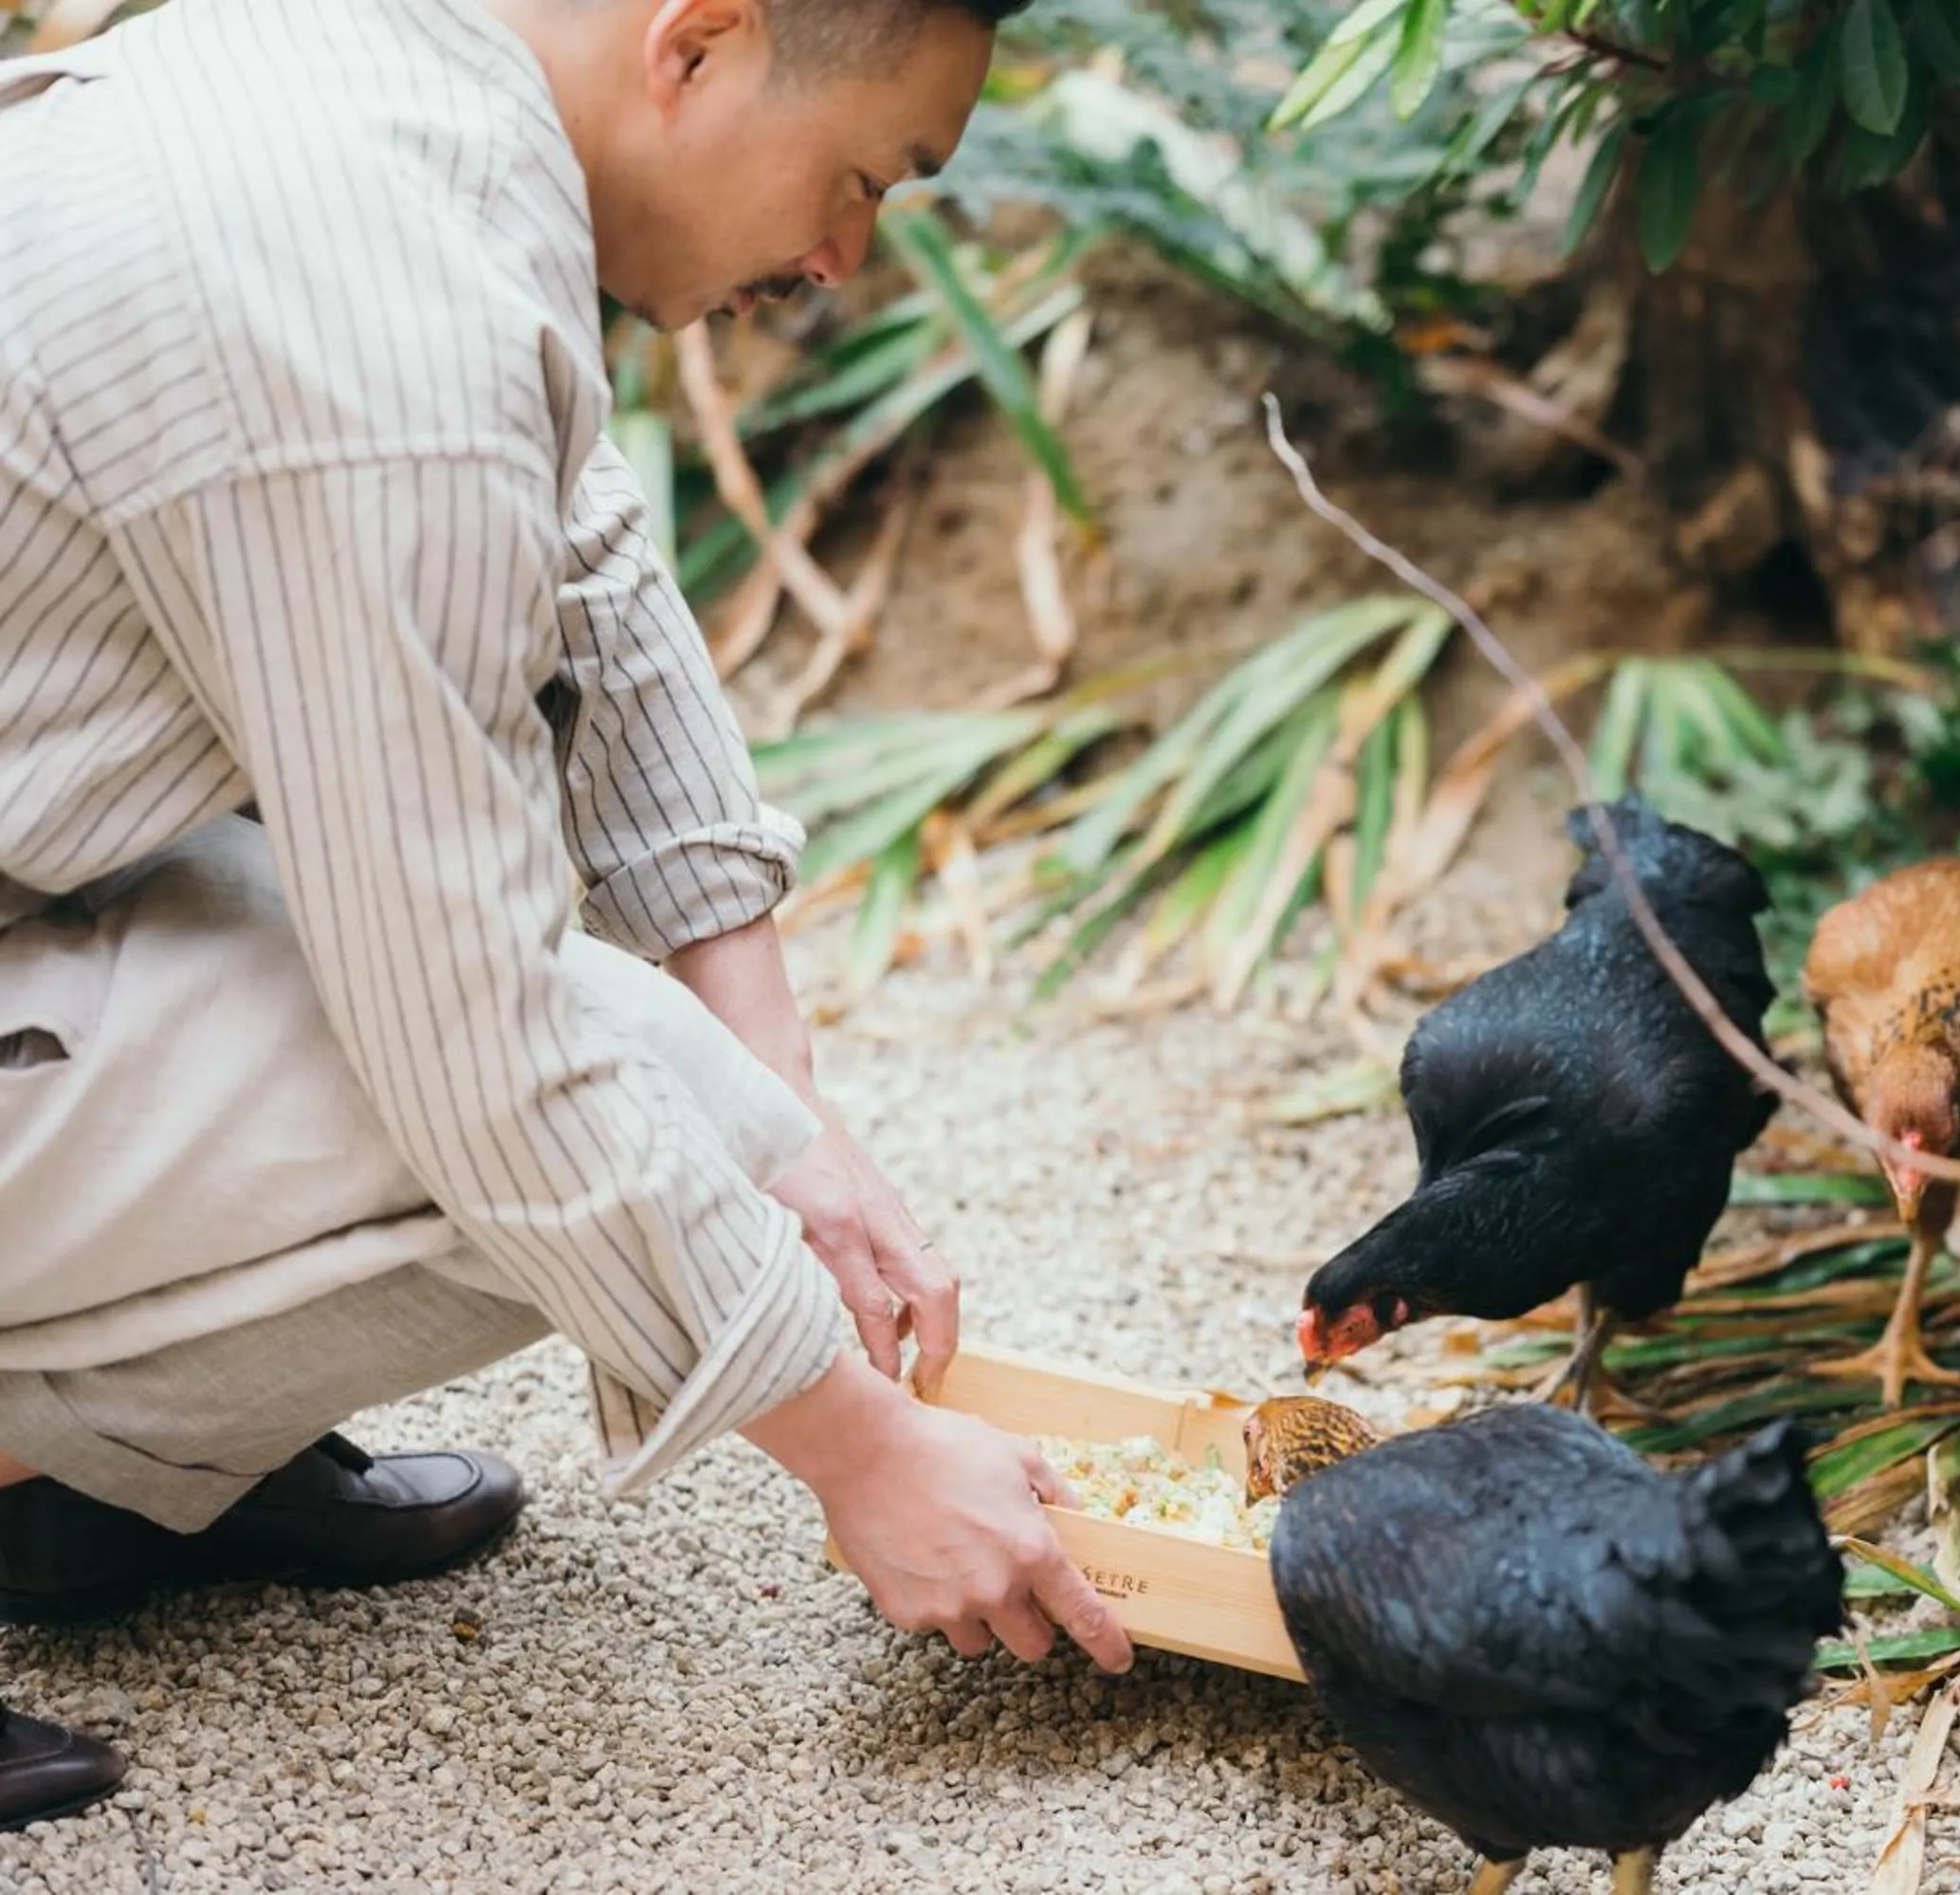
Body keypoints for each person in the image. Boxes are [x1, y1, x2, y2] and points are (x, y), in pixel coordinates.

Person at [0, 0, 1136, 1831]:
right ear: (701, 45)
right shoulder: (364, 303)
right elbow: (471, 1023)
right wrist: (860, 1451)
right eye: (863, 179)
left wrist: (787, 1099)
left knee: (703, 1118)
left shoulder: (397, 99)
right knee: (602, 1110)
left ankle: (97, 1479)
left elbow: (578, 550)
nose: (843, 258)